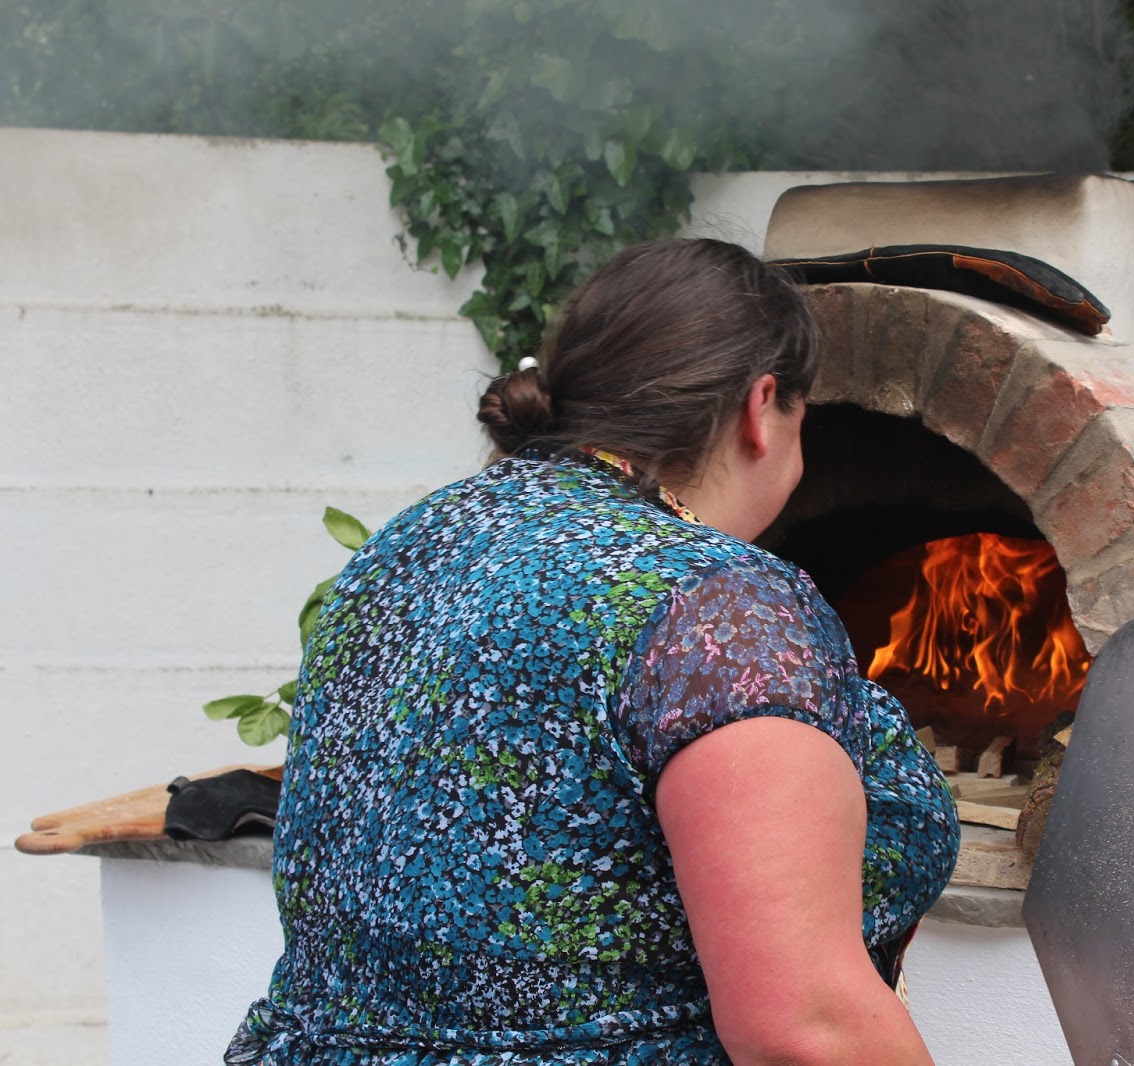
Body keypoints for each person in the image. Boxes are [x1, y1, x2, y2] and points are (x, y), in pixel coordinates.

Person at [228, 238, 961, 1065]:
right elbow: (805, 1025)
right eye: (804, 415)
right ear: (762, 407)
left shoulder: (409, 544)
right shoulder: (714, 608)